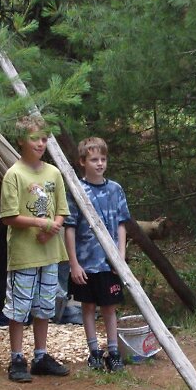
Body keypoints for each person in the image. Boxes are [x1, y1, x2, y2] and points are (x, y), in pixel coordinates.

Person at [0, 115, 72, 383]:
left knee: (45, 306)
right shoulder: (14, 174)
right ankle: (17, 358)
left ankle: (40, 356)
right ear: (21, 140)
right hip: (24, 254)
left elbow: (62, 210)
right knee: (19, 307)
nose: (41, 144)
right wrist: (39, 223)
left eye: (44, 139)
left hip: (50, 253)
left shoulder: (53, 173)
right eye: (35, 139)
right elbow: (8, 216)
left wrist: (53, 226)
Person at [63, 137, 132, 372]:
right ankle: (94, 352)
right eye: (94, 159)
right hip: (86, 263)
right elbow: (69, 227)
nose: (100, 163)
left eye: (103, 159)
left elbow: (122, 224)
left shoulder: (115, 189)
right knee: (88, 307)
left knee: (110, 307)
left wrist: (120, 256)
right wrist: (74, 263)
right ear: (82, 162)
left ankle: (114, 352)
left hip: (109, 263)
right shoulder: (77, 191)